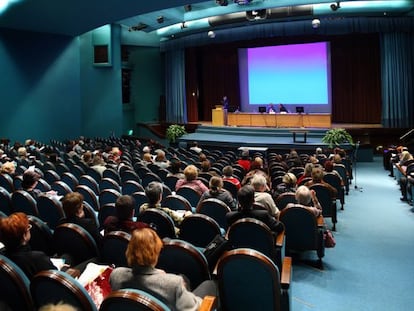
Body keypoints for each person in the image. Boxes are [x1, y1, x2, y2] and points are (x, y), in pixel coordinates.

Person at [110, 228, 217, 311]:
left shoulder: (116, 275)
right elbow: (195, 308)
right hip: (182, 300)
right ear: (155, 253)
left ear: (128, 251)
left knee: (183, 279)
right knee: (210, 285)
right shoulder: (173, 283)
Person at [0, 212, 58, 279]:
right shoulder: (37, 258)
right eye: (28, 227)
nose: (29, 229)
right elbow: (55, 278)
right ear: (24, 236)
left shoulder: (2, 255)